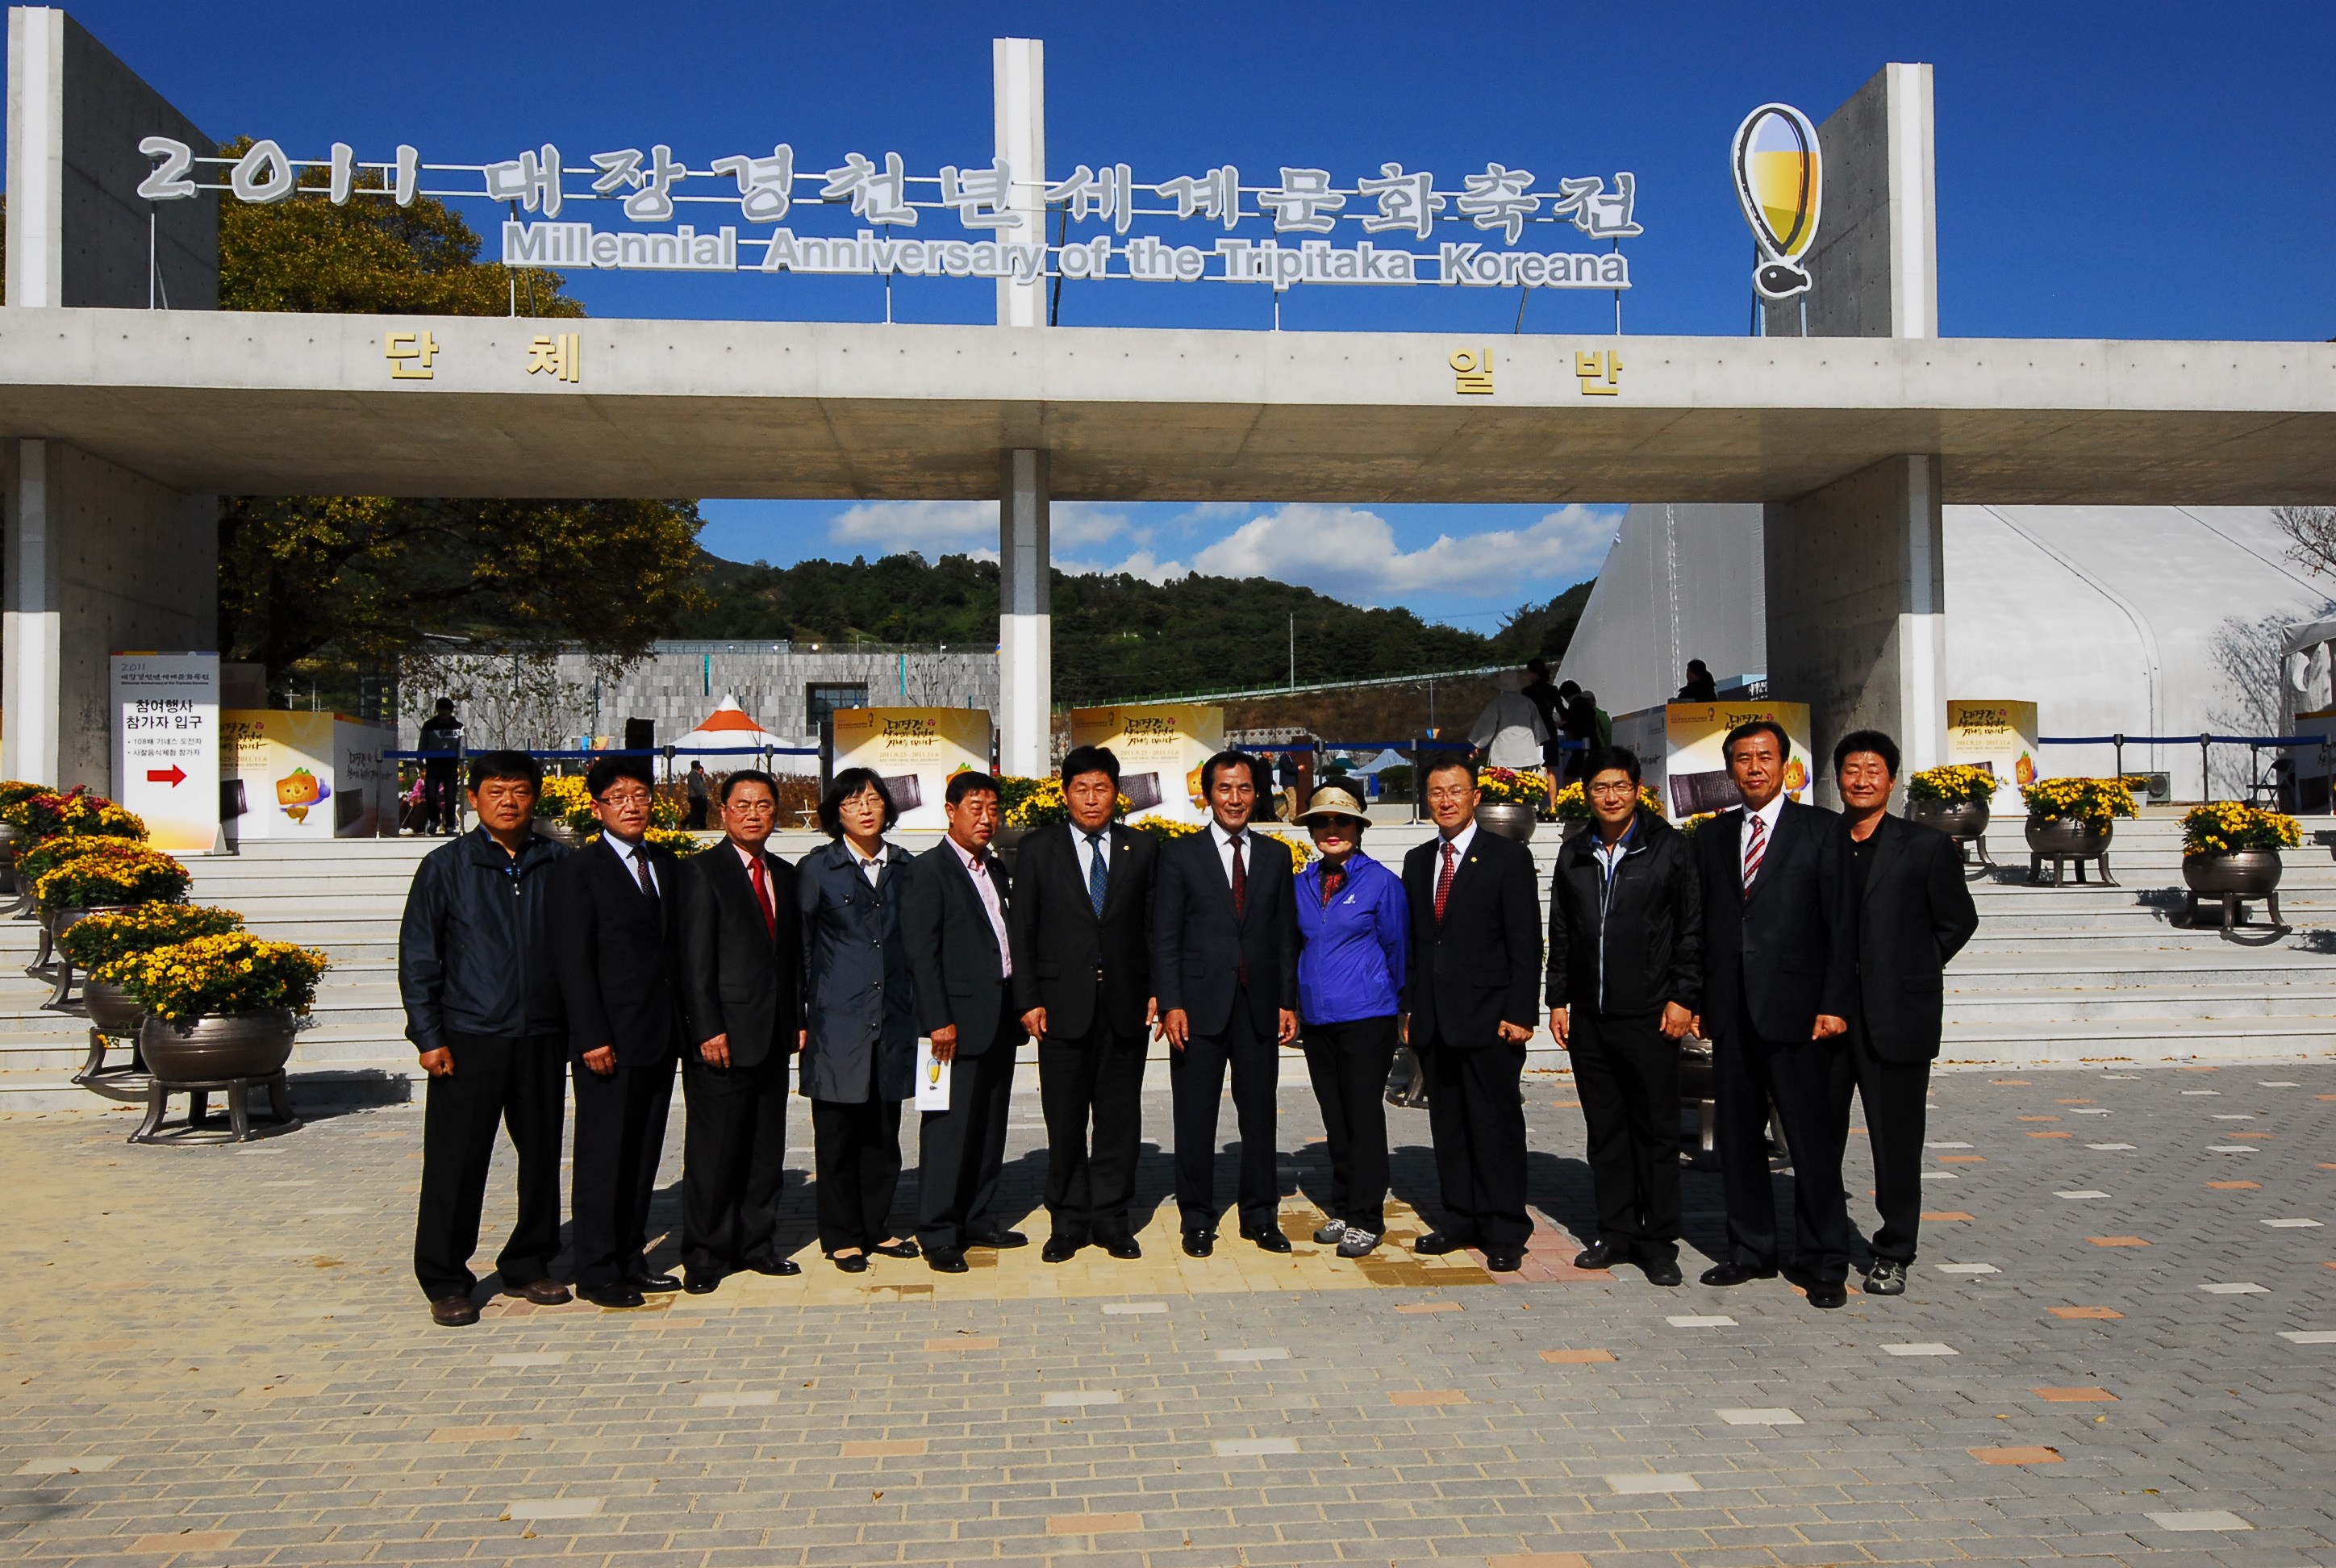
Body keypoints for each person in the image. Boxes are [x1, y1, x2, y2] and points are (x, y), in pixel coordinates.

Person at [1687, 719, 1858, 1307]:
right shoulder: (1712, 837)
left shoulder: (1823, 830)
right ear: (1729, 769)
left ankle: (1824, 1262)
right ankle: (1751, 1251)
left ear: (1785, 764)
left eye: (1764, 757)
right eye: (1741, 758)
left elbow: (1843, 926)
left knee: (1812, 1145)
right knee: (1737, 1141)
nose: (1753, 767)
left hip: (1803, 1016)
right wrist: (1702, 1002)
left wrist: (1835, 1004)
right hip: (1733, 1016)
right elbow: (1703, 925)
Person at [400, 751, 574, 1328]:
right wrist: (428, 1035)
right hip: (468, 1036)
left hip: (542, 1035)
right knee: (456, 1162)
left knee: (543, 1157)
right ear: (474, 798)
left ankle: (529, 1261)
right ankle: (446, 1278)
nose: (508, 801)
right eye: (496, 790)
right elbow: (420, 957)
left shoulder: (559, 862)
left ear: (535, 797)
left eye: (520, 790)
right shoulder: (446, 866)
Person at [1544, 744, 1700, 1287]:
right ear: (1586, 795)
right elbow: (1563, 931)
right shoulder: (1576, 852)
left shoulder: (1669, 849)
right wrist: (1557, 999)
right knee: (1606, 1130)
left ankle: (1658, 1241)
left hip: (1652, 1014)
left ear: (1638, 790)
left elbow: (1690, 928)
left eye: (1619, 787)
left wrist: (1684, 996)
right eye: (1599, 788)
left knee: (1656, 1130)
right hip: (1590, 1016)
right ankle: (1615, 1231)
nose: (1609, 797)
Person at [1833, 729, 1979, 1297]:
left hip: (1897, 1018)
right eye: (1851, 769)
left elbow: (1956, 921)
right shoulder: (1824, 840)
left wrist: (1910, 968)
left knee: (1896, 1142)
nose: (1862, 779)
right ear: (1838, 778)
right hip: (1827, 1019)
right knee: (1819, 1138)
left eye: (1873, 770)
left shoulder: (1925, 845)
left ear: (1891, 780)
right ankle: (1818, 1239)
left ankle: (1895, 1249)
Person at [1007, 744, 1158, 1263]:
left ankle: (1114, 1219)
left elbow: (1154, 928)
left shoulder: (1142, 848)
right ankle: (1068, 1220)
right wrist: (1026, 999)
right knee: (1065, 1119)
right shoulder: (1037, 849)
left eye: (1102, 788)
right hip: (1060, 1005)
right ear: (1065, 793)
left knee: (1119, 1118)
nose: (1092, 799)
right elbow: (1021, 930)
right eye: (1081, 789)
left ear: (1117, 794)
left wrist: (1159, 988)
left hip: (1125, 1004)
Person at [1152, 749, 1299, 1257]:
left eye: (1243, 789)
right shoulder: (1179, 855)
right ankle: (1197, 1216)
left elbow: (1285, 936)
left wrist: (1286, 999)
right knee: (1195, 1116)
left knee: (1259, 1114)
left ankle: (1260, 1215)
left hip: (1258, 1006)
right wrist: (1171, 1001)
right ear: (1207, 795)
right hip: (1197, 1006)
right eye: (1224, 789)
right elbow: (1165, 936)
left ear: (1256, 793)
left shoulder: (1277, 856)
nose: (1234, 799)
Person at [549, 757, 685, 1309]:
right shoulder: (578, 870)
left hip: (659, 1034)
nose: (632, 805)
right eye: (619, 797)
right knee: (604, 1157)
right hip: (608, 1041)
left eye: (640, 795)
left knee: (643, 1154)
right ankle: (598, 1269)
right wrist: (590, 1036)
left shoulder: (666, 864)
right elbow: (572, 961)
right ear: (597, 806)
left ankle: (632, 1256)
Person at [1400, 758, 1542, 1272]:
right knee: (1450, 1125)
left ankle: (1505, 1229)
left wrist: (1521, 1011)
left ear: (1474, 797)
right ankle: (1460, 1218)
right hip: (1436, 1018)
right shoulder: (1418, 861)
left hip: (1491, 1018)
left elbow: (1526, 941)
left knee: (1496, 1125)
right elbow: (1419, 944)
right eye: (1436, 792)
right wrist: (1411, 1008)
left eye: (1455, 791)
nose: (1445, 801)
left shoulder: (1505, 857)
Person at [670, 769, 803, 1294]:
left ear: (777, 812)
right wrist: (707, 1028)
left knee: (764, 1150)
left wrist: (798, 1020)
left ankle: (757, 1244)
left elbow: (790, 960)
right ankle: (705, 1254)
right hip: (722, 1038)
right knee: (714, 1153)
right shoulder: (701, 872)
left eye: (764, 805)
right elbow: (693, 962)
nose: (754, 814)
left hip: (772, 1035)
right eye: (743, 804)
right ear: (723, 812)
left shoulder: (785, 875)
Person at [901, 771, 1029, 1272]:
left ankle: (977, 1215)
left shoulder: (993, 869)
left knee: (989, 1124)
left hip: (997, 1018)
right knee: (948, 1129)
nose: (986, 817)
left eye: (993, 808)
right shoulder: (928, 871)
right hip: (952, 1025)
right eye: (975, 807)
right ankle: (938, 1230)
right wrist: (937, 1020)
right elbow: (921, 952)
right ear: (950, 811)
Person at [797, 769, 920, 1272]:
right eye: (853, 802)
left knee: (882, 1134)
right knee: (838, 1135)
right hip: (836, 1023)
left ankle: (877, 1227)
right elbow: (802, 948)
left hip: (890, 1021)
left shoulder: (906, 868)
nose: (866, 809)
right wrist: (803, 1013)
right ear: (837, 814)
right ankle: (842, 1235)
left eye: (873, 800)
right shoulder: (818, 869)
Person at [1291, 781, 1408, 1258]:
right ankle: (1342, 1206)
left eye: (1342, 821)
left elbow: (1399, 948)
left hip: (1367, 1016)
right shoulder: (1300, 884)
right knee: (1334, 1118)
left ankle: (1367, 1216)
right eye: (1322, 821)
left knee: (1362, 1116)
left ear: (1358, 827)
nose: (1332, 829)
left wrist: (1400, 1008)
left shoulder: (1381, 882)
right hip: (1318, 1019)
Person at [1468, 669, 1550, 772]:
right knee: (1527, 783)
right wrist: (1538, 742)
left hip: (1504, 753)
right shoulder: (1528, 702)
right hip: (1528, 752)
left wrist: (1478, 745)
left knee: (1506, 783)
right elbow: (1537, 727)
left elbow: (1486, 727)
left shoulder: (1497, 703)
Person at [419, 698, 464, 835]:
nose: (443, 713)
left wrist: (463, 763)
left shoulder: (458, 726)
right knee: (431, 795)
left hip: (451, 765)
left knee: (450, 796)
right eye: (441, 710)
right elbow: (422, 744)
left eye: (446, 711)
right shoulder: (429, 725)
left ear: (450, 711)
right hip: (433, 765)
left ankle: (450, 825)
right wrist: (419, 760)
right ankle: (434, 820)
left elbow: (462, 745)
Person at [685, 761, 711, 830]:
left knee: (697, 812)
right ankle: (694, 825)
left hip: (696, 796)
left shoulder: (695, 774)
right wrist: (703, 793)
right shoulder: (693, 775)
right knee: (696, 812)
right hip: (696, 797)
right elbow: (696, 786)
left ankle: (696, 825)